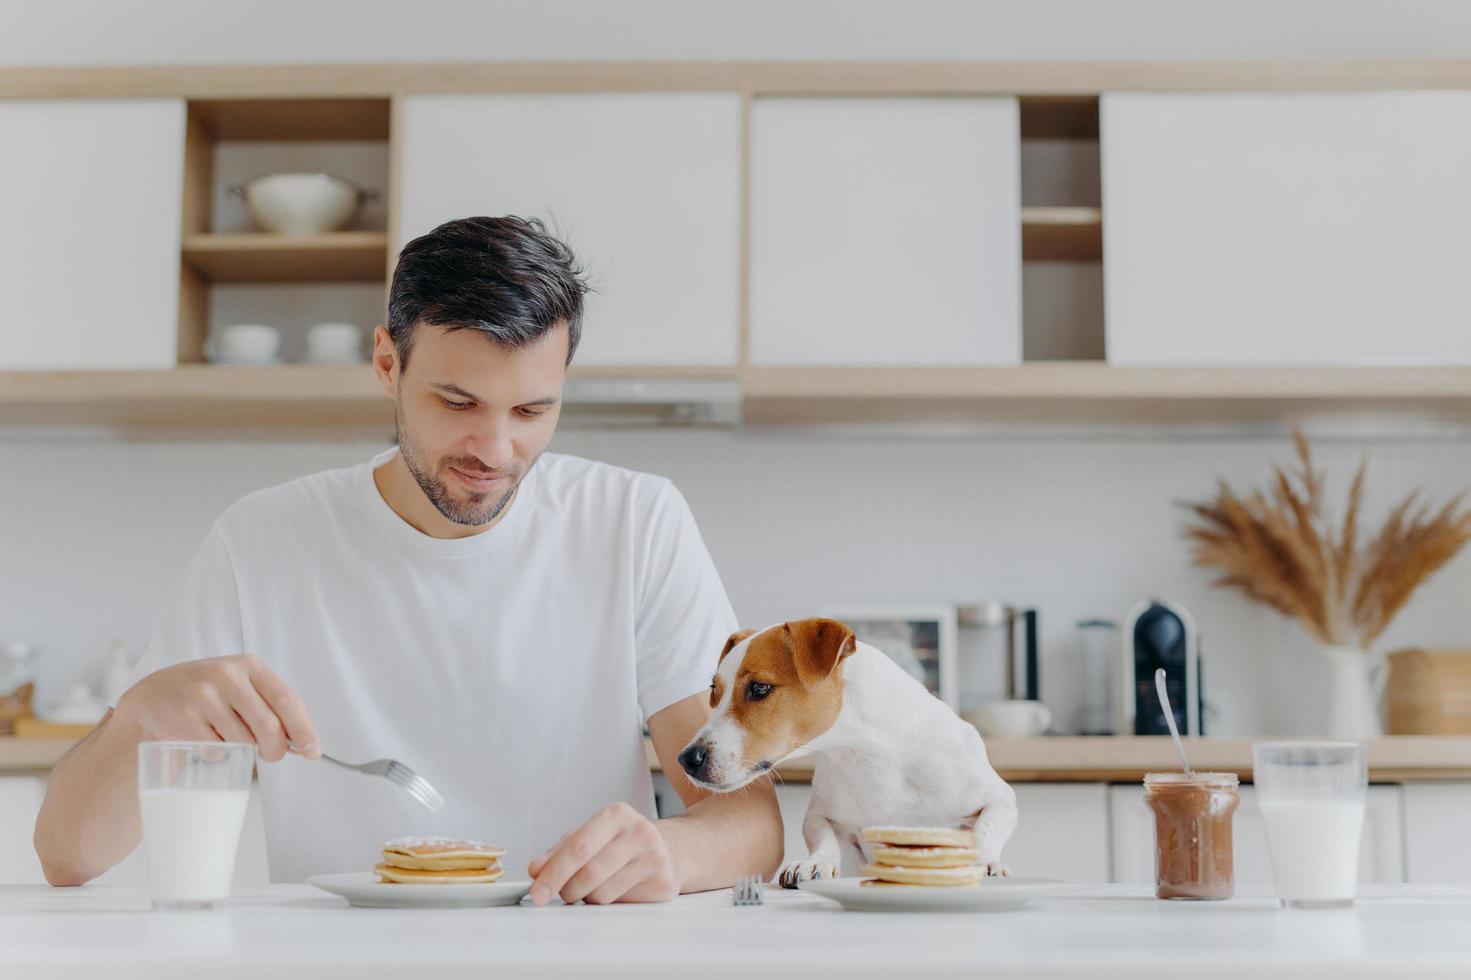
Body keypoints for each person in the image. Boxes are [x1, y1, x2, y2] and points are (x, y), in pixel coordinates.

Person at [34, 216, 783, 905]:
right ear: (387, 363)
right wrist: (137, 718)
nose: (495, 451)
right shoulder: (260, 542)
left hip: (565, 948)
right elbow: (67, 857)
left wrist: (669, 854)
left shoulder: (633, 523)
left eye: (531, 411)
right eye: (457, 402)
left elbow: (748, 822)